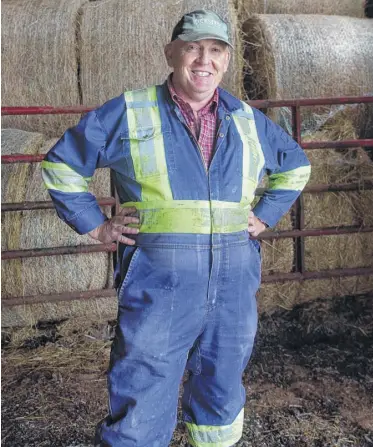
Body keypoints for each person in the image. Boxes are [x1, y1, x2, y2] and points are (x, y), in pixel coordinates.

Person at [41, 9, 311, 447]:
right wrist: (94, 225)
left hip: (233, 283)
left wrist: (265, 215)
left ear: (227, 59)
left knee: (223, 381)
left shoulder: (247, 119)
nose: (205, 60)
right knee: (144, 381)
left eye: (216, 50)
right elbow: (62, 165)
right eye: (193, 48)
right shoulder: (130, 111)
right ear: (172, 54)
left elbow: (296, 166)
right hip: (158, 281)